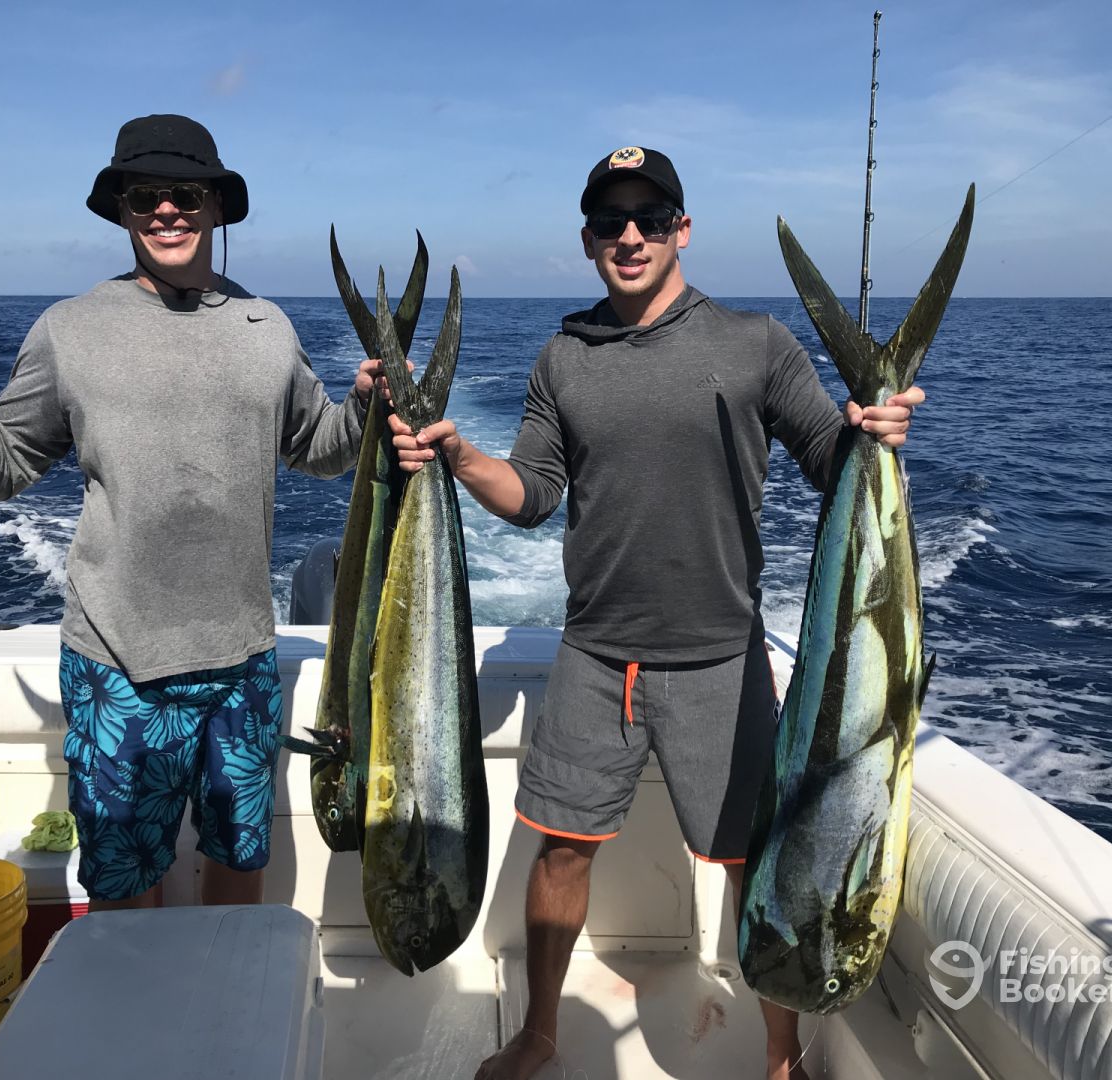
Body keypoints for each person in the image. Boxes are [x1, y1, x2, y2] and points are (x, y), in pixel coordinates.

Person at [388, 146, 925, 1080]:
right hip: (596, 657)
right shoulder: (563, 357)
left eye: (649, 217)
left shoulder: (756, 342)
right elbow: (534, 493)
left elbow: (826, 455)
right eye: (610, 221)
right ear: (587, 240)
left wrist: (874, 431)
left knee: (752, 860)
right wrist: (459, 456)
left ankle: (781, 1054)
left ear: (682, 229)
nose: (629, 235)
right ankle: (540, 1033)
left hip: (721, 659)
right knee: (561, 852)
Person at [0, 114, 382, 912]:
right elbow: (2, 465)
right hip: (115, 667)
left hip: (242, 660)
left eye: (186, 194)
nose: (166, 210)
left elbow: (318, 447)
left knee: (240, 867)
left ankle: (222, 995)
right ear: (122, 211)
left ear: (216, 206)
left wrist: (366, 406)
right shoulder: (69, 330)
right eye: (145, 196)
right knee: (122, 890)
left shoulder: (269, 328)